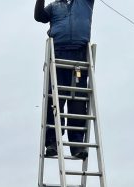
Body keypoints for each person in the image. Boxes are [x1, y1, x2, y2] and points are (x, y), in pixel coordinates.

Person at [34, 0, 95, 160]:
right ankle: (52, 141)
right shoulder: (54, 6)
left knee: (78, 101)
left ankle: (77, 145)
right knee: (55, 99)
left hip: (79, 55)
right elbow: (39, 16)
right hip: (58, 54)